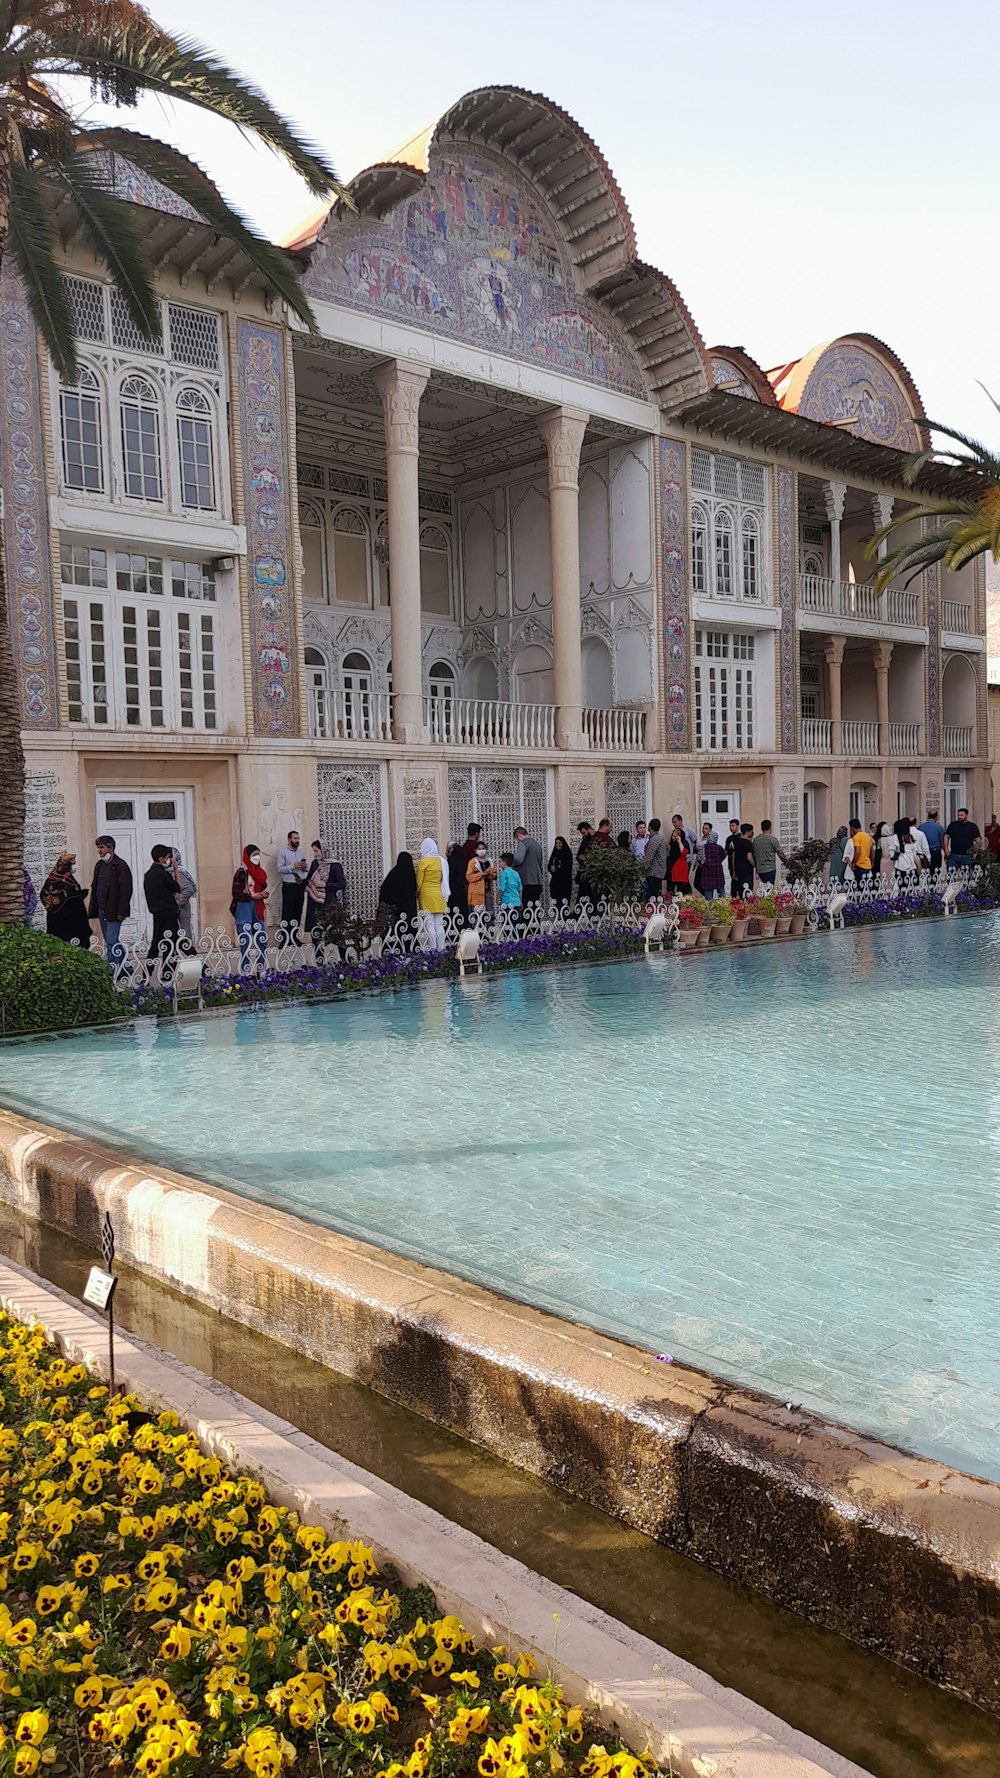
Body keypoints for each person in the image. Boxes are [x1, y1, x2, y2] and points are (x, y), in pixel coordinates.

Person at [88, 836, 132, 971]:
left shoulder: (120, 865)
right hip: (102, 909)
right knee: (110, 941)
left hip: (114, 911)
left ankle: (111, 971)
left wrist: (122, 911)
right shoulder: (100, 865)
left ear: (110, 848)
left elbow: (126, 890)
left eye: (102, 847)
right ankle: (126, 968)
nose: (99, 851)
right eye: (98, 848)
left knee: (112, 941)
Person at [40, 852, 91, 948]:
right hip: (70, 922)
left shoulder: (49, 881)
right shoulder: (69, 883)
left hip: (53, 921)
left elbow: (44, 896)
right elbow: (73, 899)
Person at [144, 845, 180, 972]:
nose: (169, 860)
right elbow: (177, 888)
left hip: (156, 913)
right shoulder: (163, 874)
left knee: (155, 944)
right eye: (167, 857)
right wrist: (175, 870)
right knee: (169, 943)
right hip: (169, 913)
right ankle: (167, 972)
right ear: (161, 859)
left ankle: (147, 973)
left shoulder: (148, 875)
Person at [231, 843, 268, 969]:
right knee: (245, 938)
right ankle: (245, 967)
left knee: (261, 937)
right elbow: (236, 893)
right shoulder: (242, 872)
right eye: (254, 855)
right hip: (244, 906)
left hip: (257, 905)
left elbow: (263, 884)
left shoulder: (259, 872)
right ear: (248, 856)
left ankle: (260, 966)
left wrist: (262, 894)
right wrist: (252, 897)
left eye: (258, 855)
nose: (257, 857)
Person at [304, 841, 347, 935]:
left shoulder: (335, 865)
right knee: (316, 933)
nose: (315, 854)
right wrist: (302, 881)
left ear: (323, 850)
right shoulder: (315, 863)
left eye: (316, 851)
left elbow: (342, 884)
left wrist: (325, 885)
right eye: (313, 851)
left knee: (334, 933)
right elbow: (309, 879)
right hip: (314, 902)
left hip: (329, 903)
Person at [416, 838, 449, 951]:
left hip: (426, 895)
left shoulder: (423, 862)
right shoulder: (441, 861)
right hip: (439, 895)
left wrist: (416, 892)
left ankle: (433, 948)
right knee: (439, 924)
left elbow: (419, 882)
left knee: (429, 924)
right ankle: (441, 948)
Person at [276, 830, 308, 946]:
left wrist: (304, 866)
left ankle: (295, 937)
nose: (297, 840)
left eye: (298, 838)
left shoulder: (300, 852)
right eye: (295, 838)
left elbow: (306, 869)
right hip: (289, 885)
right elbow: (279, 869)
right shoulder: (282, 852)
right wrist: (292, 866)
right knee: (287, 912)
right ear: (289, 839)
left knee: (297, 911)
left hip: (300, 885)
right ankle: (285, 939)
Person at [378, 851, 418, 931]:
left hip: (397, 908)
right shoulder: (411, 875)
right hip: (409, 908)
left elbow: (385, 890)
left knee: (397, 928)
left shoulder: (394, 874)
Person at [169, 849, 197, 951]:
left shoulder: (179, 872)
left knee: (184, 941)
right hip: (174, 912)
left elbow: (188, 889)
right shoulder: (168, 872)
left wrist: (176, 903)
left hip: (180, 911)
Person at [466, 839, 496, 926]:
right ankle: (478, 933)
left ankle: (490, 933)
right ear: (475, 850)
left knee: (489, 914)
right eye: (479, 848)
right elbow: (469, 877)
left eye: (483, 848)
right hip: (476, 892)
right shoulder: (472, 862)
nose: (481, 850)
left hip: (487, 891)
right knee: (477, 915)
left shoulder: (490, 862)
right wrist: (482, 874)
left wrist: (488, 873)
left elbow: (494, 875)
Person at [512, 826, 544, 909]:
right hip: (537, 880)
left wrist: (511, 862)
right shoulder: (537, 844)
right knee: (535, 907)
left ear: (519, 836)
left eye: (517, 839)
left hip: (526, 880)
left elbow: (518, 859)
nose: (518, 841)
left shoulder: (523, 844)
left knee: (526, 907)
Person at [945, 807, 981, 874]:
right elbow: (946, 836)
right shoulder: (953, 825)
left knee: (966, 876)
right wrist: (946, 849)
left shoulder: (972, 826)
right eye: (958, 815)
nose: (959, 817)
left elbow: (978, 841)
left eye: (961, 815)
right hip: (954, 855)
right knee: (950, 875)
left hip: (966, 856)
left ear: (966, 815)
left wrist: (975, 852)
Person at [752, 819, 787, 887]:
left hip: (760, 869)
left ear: (761, 828)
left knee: (764, 887)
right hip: (770, 868)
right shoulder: (772, 840)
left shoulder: (756, 840)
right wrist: (786, 862)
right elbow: (780, 853)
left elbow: (754, 854)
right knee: (770, 889)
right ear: (770, 828)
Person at [642, 818, 668, 902]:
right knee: (657, 895)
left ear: (650, 827)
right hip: (660, 870)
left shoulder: (654, 840)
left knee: (653, 896)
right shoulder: (660, 838)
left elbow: (649, 857)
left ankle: (653, 911)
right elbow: (668, 849)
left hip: (654, 871)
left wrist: (642, 869)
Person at [697, 828, 726, 901]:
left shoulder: (703, 848)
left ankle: (710, 910)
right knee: (721, 894)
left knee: (709, 896)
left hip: (707, 874)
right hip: (718, 873)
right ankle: (723, 908)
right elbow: (723, 856)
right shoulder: (719, 848)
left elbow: (700, 860)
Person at [547, 836, 573, 913]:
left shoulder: (567, 853)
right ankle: (557, 916)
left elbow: (567, 868)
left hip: (564, 882)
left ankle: (564, 916)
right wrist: (551, 868)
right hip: (555, 881)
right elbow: (549, 865)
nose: (558, 845)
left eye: (559, 843)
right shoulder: (554, 853)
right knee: (556, 899)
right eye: (556, 843)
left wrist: (557, 869)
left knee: (564, 900)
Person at [497, 852, 523, 928]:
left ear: (505, 862)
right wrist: (520, 901)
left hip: (507, 902)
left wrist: (497, 898)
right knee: (516, 925)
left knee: (507, 925)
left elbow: (502, 888)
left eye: (500, 861)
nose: (499, 863)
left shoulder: (503, 874)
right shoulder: (516, 873)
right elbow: (520, 889)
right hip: (516, 902)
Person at [846, 818, 873, 887]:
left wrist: (853, 862)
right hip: (868, 865)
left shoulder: (856, 837)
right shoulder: (868, 836)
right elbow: (872, 851)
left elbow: (857, 851)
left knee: (860, 887)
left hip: (860, 865)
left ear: (852, 828)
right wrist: (872, 861)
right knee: (867, 887)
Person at [730, 823, 756, 896]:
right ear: (747, 832)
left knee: (741, 891)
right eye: (751, 831)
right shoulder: (748, 843)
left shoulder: (737, 842)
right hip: (746, 870)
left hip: (738, 869)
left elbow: (733, 856)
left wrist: (734, 870)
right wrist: (755, 865)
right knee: (747, 891)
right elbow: (749, 857)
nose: (751, 833)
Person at [666, 819, 690, 895]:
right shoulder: (671, 844)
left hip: (680, 869)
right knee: (670, 889)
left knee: (682, 890)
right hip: (671, 869)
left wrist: (679, 841)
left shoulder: (684, 843)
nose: (673, 838)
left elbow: (683, 852)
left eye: (675, 836)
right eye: (672, 836)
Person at [918, 808, 945, 874]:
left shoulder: (921, 827)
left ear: (928, 816)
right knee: (935, 872)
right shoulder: (939, 827)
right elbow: (942, 842)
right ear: (936, 817)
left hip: (923, 853)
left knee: (925, 873)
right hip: (935, 852)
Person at [575, 821, 594, 908]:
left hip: (591, 872)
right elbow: (579, 855)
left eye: (584, 832)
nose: (583, 834)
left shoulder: (593, 840)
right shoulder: (585, 840)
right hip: (584, 871)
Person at [877, 822, 899, 889]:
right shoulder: (892, 838)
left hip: (883, 860)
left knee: (883, 877)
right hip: (890, 859)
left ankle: (884, 890)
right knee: (891, 876)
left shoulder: (880, 840)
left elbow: (878, 849)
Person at [724, 818, 742, 890]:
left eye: (733, 826)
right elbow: (726, 851)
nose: (731, 828)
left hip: (739, 863)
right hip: (731, 863)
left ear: (737, 826)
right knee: (733, 881)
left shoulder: (741, 837)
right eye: (730, 826)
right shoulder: (729, 838)